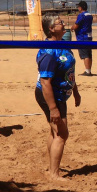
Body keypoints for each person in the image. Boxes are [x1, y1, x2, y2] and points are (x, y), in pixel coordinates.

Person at [35, 14, 82, 181]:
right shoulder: (48, 52)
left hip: (61, 94)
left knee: (54, 132)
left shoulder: (64, 45)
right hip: (50, 95)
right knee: (62, 134)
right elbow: (45, 82)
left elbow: (68, 72)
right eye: (59, 23)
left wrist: (75, 91)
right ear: (51, 29)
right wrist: (53, 108)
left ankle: (51, 169)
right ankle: (54, 174)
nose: (63, 24)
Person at [73, 1, 94, 75]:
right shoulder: (90, 15)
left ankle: (87, 71)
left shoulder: (81, 15)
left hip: (82, 37)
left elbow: (76, 26)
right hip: (89, 36)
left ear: (81, 7)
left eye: (78, 7)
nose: (78, 8)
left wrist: (72, 28)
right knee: (88, 54)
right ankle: (88, 70)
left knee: (85, 55)